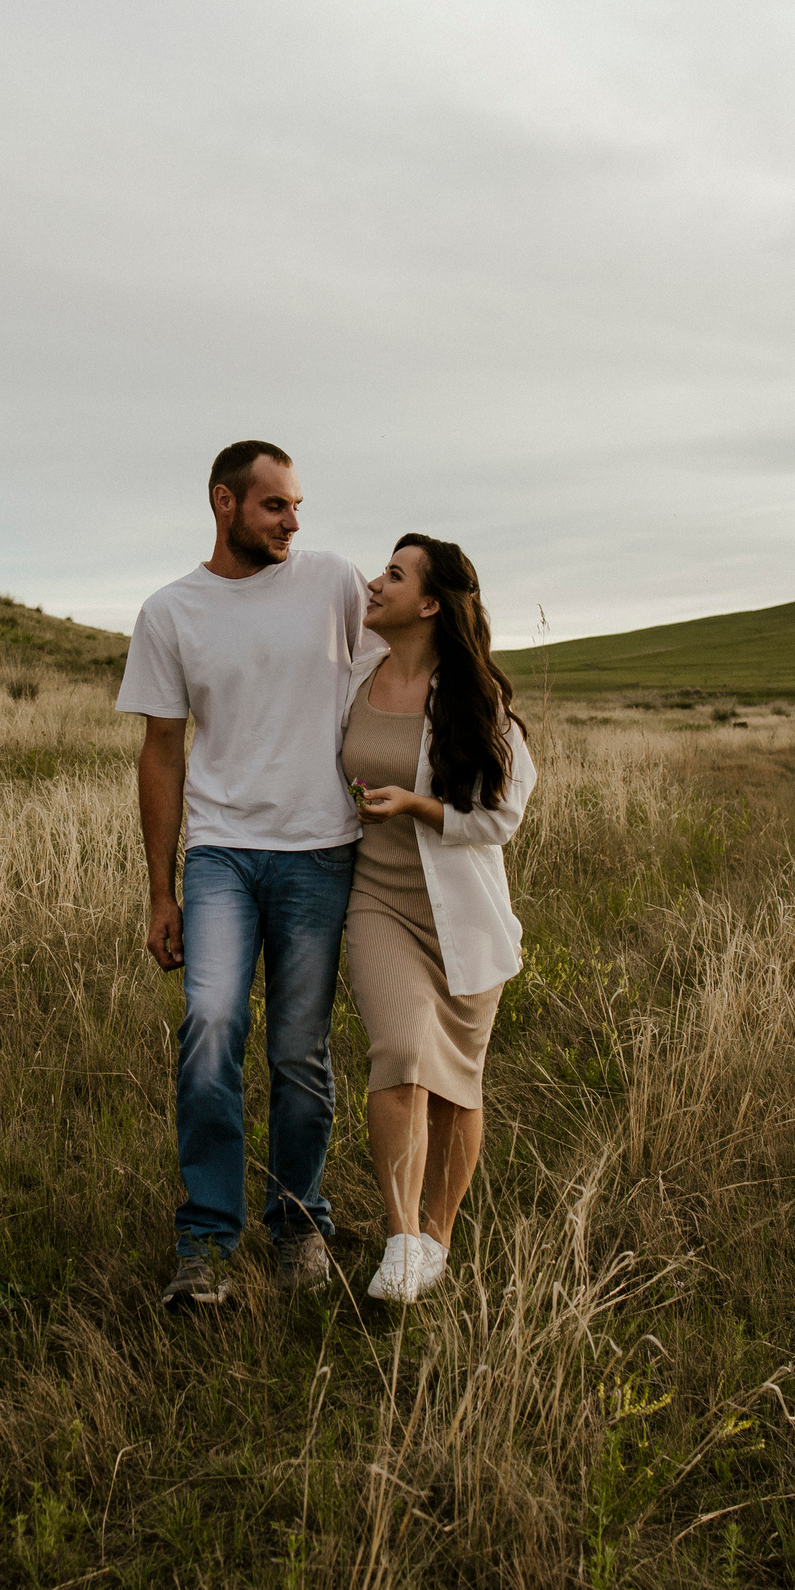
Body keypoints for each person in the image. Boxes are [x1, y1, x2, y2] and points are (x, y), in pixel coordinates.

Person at [116, 440, 367, 1310]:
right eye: (275, 507)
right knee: (211, 1024)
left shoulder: (335, 581)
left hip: (321, 850)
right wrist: (161, 890)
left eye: (298, 506)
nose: (293, 521)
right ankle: (206, 1242)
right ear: (225, 502)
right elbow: (160, 753)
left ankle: (298, 1222)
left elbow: (406, 663)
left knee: (300, 1050)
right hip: (219, 852)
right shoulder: (171, 611)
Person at [340, 534, 533, 1303]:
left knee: (457, 1086)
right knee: (400, 1054)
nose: (376, 582)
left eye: (395, 573)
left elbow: (503, 815)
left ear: (429, 603)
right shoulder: (358, 668)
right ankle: (399, 1237)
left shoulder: (472, 696)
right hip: (375, 898)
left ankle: (438, 1238)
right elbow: (331, 581)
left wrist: (423, 806)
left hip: (462, 915)